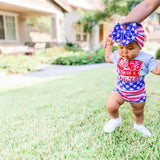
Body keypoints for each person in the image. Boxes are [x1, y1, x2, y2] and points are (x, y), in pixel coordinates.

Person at [103, 22, 160, 137]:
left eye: (130, 48)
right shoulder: (118, 56)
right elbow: (108, 58)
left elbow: (157, 71)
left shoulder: (145, 58)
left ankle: (138, 125)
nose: (124, 52)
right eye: (121, 47)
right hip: (120, 89)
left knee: (138, 112)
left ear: (140, 45)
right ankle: (115, 119)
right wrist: (109, 45)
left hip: (137, 93)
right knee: (111, 105)